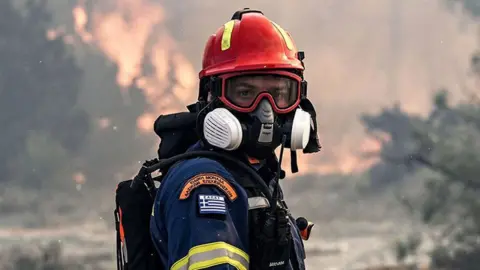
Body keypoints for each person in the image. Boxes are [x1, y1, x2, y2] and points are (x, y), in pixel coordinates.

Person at [150, 8, 321, 270]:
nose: (266, 110)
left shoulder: (251, 173)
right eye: (245, 92)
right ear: (211, 95)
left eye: (279, 93)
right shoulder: (205, 185)